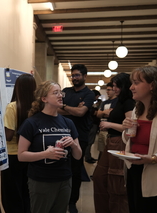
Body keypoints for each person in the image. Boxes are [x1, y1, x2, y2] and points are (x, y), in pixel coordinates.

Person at [17, 80, 82, 213]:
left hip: (64, 179)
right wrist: (45, 154)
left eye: (61, 92)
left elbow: (78, 155)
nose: (60, 96)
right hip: (41, 181)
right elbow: (21, 155)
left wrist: (74, 145)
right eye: (55, 93)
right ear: (44, 98)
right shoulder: (31, 123)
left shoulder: (68, 123)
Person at [121, 66, 157, 213]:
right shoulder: (138, 108)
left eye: (136, 82)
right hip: (134, 170)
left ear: (152, 85)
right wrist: (126, 129)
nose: (131, 87)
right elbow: (130, 140)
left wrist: (154, 158)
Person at [92, 73, 135, 213]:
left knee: (115, 183)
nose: (114, 89)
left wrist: (110, 124)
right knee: (100, 178)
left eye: (116, 86)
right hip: (112, 141)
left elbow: (129, 127)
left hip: (119, 142)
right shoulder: (121, 101)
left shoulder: (128, 102)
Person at [58, 64, 94, 213]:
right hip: (62, 134)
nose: (75, 78)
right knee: (60, 167)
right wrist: (72, 108)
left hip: (80, 136)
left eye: (77, 75)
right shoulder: (66, 91)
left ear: (85, 76)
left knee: (75, 170)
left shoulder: (89, 94)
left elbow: (80, 112)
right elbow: (56, 109)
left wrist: (65, 107)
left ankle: (72, 202)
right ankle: (61, 199)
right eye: (73, 75)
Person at [1, 73, 36, 213]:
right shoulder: (38, 108)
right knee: (27, 193)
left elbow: (8, 135)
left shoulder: (12, 107)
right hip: (31, 155)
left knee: (12, 195)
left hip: (13, 156)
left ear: (17, 88)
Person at [96, 82, 118, 158]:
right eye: (107, 90)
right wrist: (105, 112)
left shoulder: (118, 101)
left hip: (111, 131)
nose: (107, 91)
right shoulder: (104, 102)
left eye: (109, 90)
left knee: (110, 153)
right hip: (102, 130)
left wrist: (104, 113)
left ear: (114, 90)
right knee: (101, 152)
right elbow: (98, 114)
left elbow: (112, 114)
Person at [85, 89, 102, 164]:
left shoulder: (90, 103)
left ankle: (88, 156)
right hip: (92, 124)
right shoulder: (90, 104)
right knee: (90, 141)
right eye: (97, 96)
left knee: (90, 142)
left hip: (91, 124)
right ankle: (87, 157)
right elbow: (95, 113)